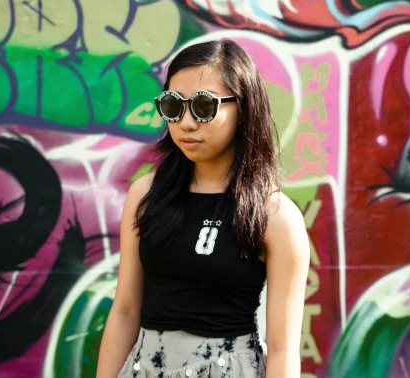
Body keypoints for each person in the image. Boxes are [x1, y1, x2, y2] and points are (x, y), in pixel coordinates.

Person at [96, 38, 310, 378]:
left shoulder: (276, 217)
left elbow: (284, 349)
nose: (187, 122)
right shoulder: (146, 195)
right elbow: (124, 310)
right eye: (173, 105)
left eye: (203, 106)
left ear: (244, 108)